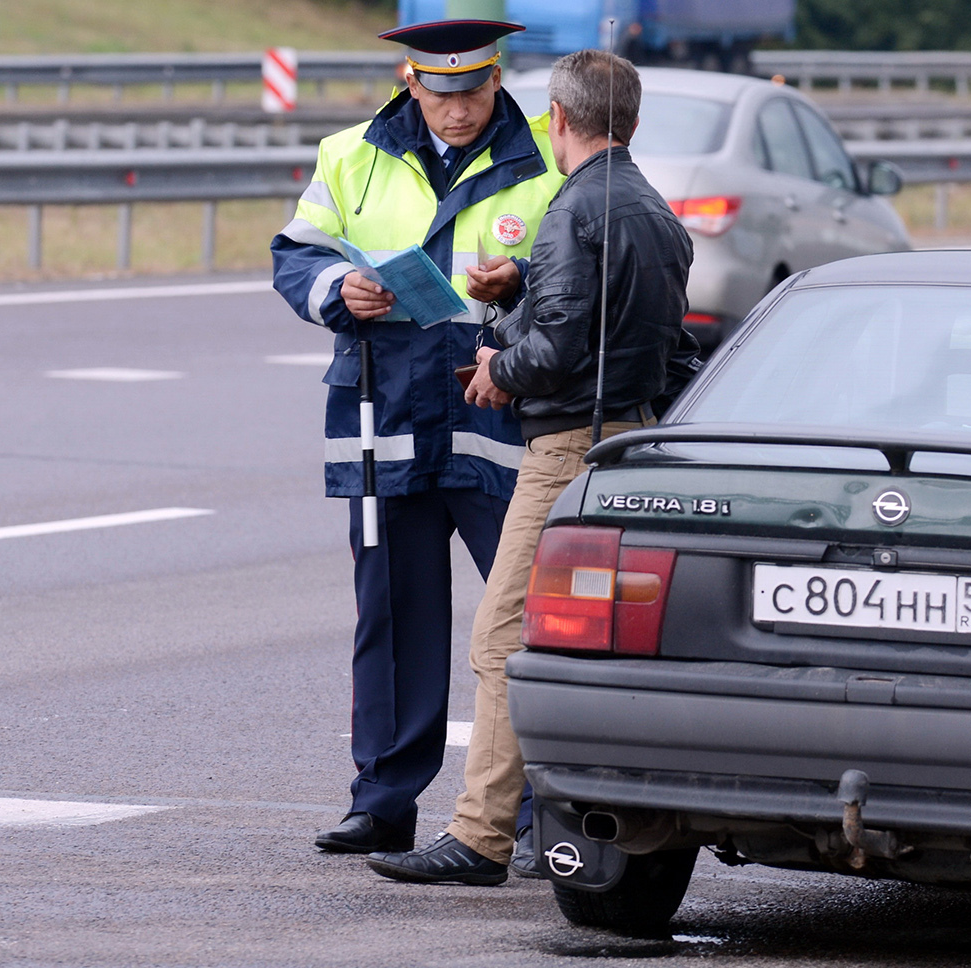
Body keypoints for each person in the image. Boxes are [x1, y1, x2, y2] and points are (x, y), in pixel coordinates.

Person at [366, 48, 697, 885]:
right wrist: (520, 289)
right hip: (631, 439)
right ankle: (564, 819)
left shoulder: (577, 207)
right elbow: (629, 334)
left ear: (557, 115)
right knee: (582, 643)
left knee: (503, 636)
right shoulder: (652, 210)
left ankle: (481, 836)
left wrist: (495, 367)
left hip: (564, 449)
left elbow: (562, 346)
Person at [270, 19, 564, 863]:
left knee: (527, 624)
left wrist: (523, 279)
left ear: (496, 79)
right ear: (410, 82)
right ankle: (383, 801)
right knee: (393, 618)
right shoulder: (350, 153)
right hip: (384, 414)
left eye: (474, 92)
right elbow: (297, 253)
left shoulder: (544, 155)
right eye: (441, 95)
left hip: (496, 416)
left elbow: (582, 265)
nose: (459, 111)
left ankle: (540, 806)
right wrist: (338, 288)